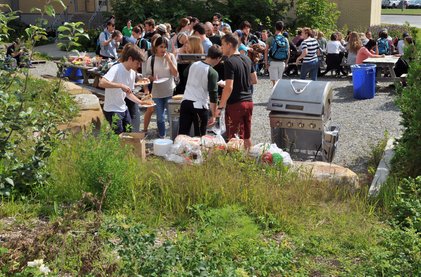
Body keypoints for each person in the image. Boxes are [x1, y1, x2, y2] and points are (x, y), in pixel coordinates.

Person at [216, 34, 257, 150]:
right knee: (247, 136)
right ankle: (249, 159)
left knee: (233, 138)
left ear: (229, 45)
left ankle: (233, 164)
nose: (221, 47)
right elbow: (254, 80)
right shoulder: (247, 59)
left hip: (236, 104)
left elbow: (229, 87)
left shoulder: (229, 62)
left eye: (223, 45)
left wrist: (220, 107)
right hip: (249, 102)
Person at [99, 44, 149, 134]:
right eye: (137, 63)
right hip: (112, 109)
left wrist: (141, 102)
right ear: (130, 59)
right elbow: (102, 83)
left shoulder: (132, 73)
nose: (139, 66)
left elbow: (128, 93)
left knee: (129, 133)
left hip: (123, 108)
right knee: (118, 137)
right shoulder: (116, 68)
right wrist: (120, 85)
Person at [179, 45, 223, 136]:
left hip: (185, 102)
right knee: (200, 136)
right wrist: (214, 115)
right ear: (218, 58)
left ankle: (179, 149)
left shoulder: (193, 64)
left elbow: (185, 74)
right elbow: (213, 96)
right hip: (200, 106)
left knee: (182, 134)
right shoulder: (212, 72)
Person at [145, 36, 178, 138]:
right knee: (160, 118)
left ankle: (174, 137)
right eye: (161, 47)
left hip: (169, 90)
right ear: (156, 47)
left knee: (171, 117)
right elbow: (147, 76)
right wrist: (153, 78)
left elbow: (175, 73)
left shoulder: (171, 56)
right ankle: (162, 136)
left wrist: (169, 60)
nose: (163, 49)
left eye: (165, 47)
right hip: (157, 92)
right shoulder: (151, 59)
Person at [264, 20, 289, 86]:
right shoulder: (285, 39)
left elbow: (266, 51)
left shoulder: (270, 38)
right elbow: (288, 52)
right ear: (282, 29)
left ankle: (275, 94)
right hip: (282, 62)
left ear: (275, 28)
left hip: (272, 62)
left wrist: (266, 63)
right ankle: (279, 94)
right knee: (279, 81)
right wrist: (286, 63)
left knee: (274, 82)